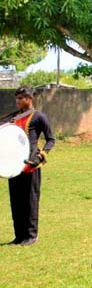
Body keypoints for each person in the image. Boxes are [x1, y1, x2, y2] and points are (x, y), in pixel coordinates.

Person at [5, 86, 55, 246]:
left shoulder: (39, 116)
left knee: (30, 201)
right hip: (14, 165)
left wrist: (41, 156)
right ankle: (19, 236)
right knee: (16, 201)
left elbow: (51, 139)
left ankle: (31, 235)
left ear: (29, 98)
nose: (18, 101)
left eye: (21, 98)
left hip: (31, 164)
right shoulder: (13, 117)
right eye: (17, 98)